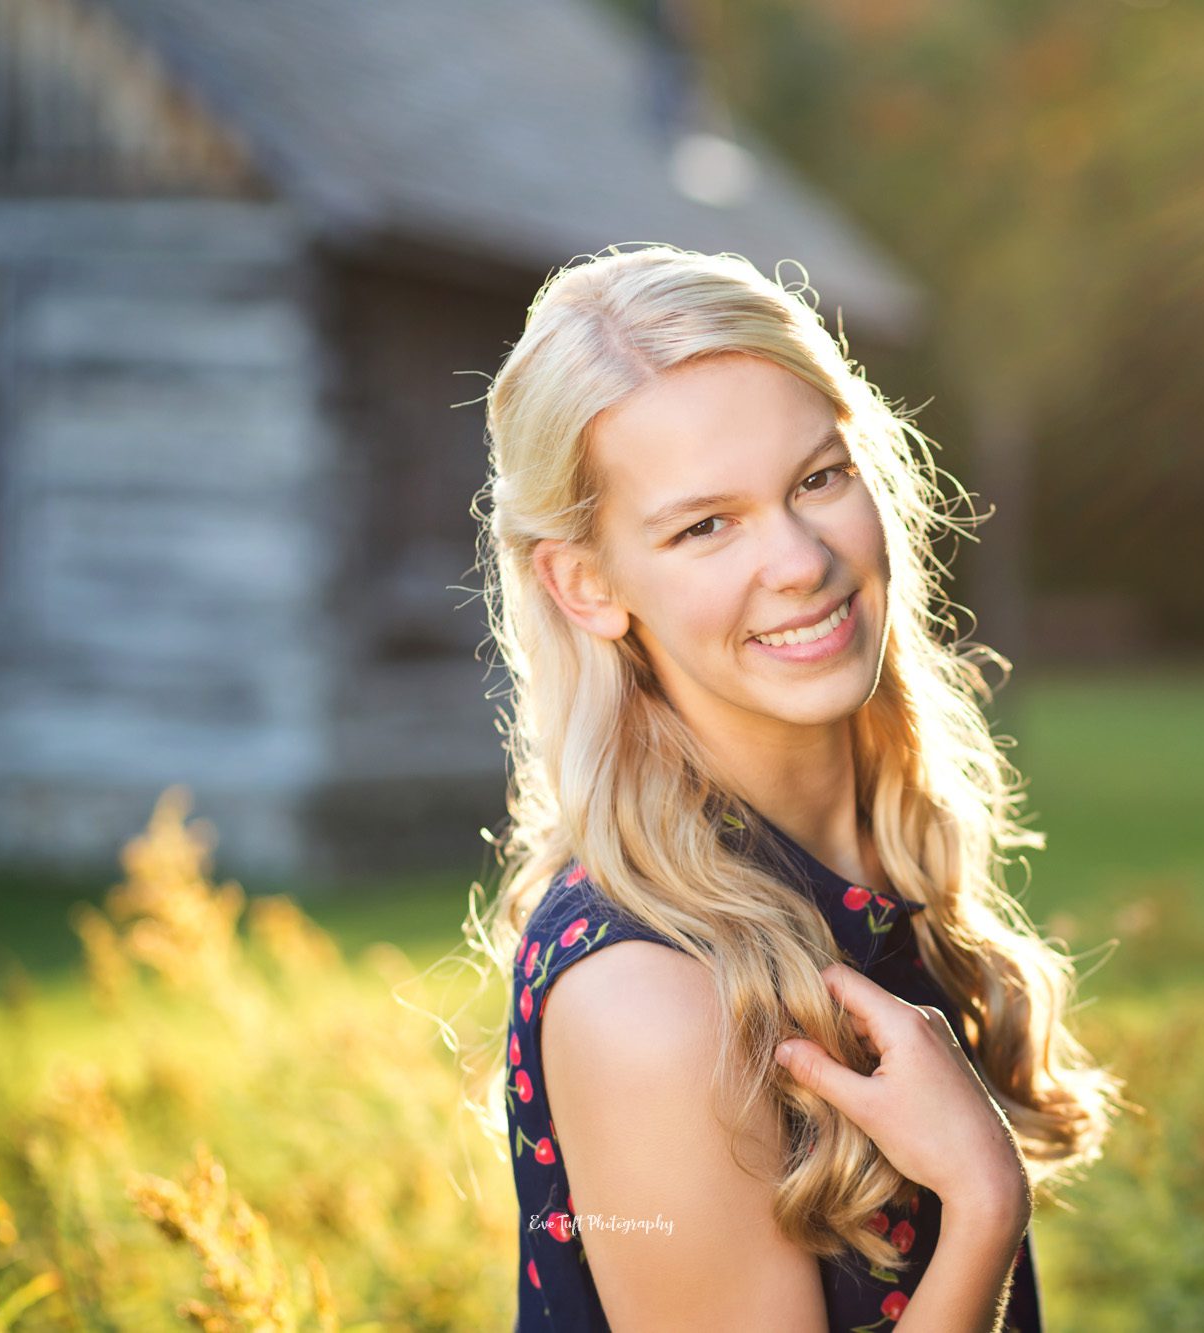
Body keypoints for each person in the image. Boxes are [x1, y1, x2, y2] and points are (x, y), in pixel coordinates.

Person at [464, 244, 1124, 1331]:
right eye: (704, 525)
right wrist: (980, 1203)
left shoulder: (864, 865)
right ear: (586, 584)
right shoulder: (652, 1004)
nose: (799, 560)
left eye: (817, 479)